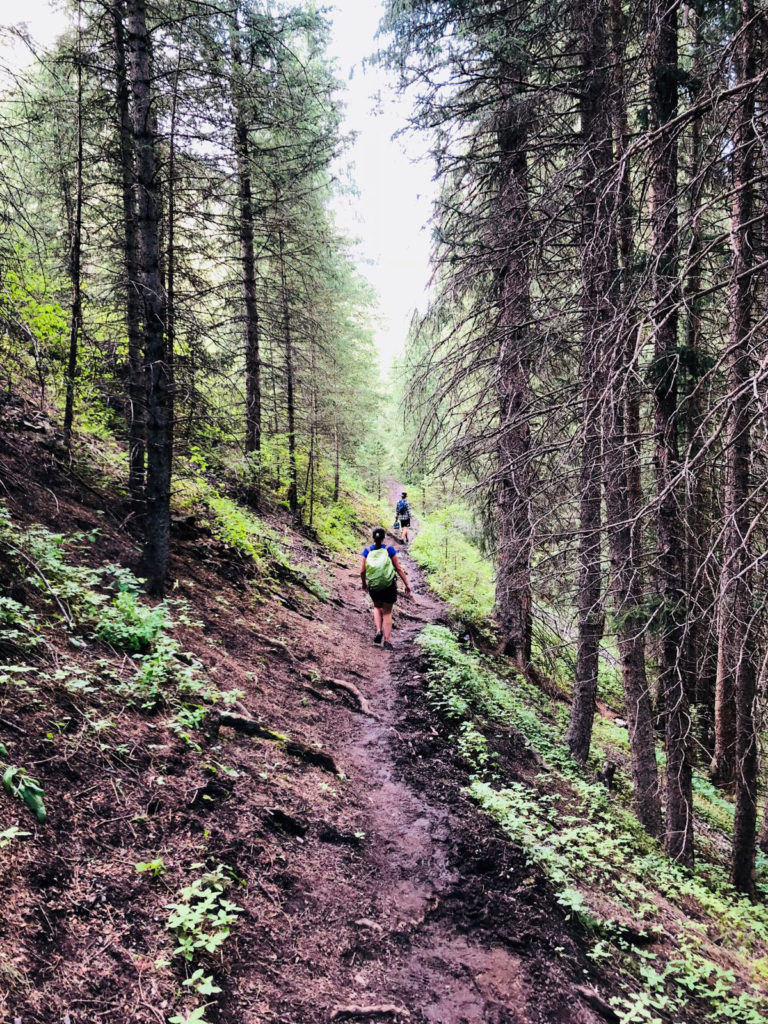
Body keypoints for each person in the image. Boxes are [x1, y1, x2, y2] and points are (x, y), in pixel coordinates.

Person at [360, 527, 412, 650]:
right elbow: (398, 568)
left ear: (373, 537)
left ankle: (378, 631)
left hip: (374, 586)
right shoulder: (389, 550)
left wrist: (364, 583)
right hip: (389, 585)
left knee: (377, 608)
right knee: (387, 612)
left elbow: (362, 570)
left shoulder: (367, 551)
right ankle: (387, 641)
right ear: (384, 538)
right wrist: (406, 584)